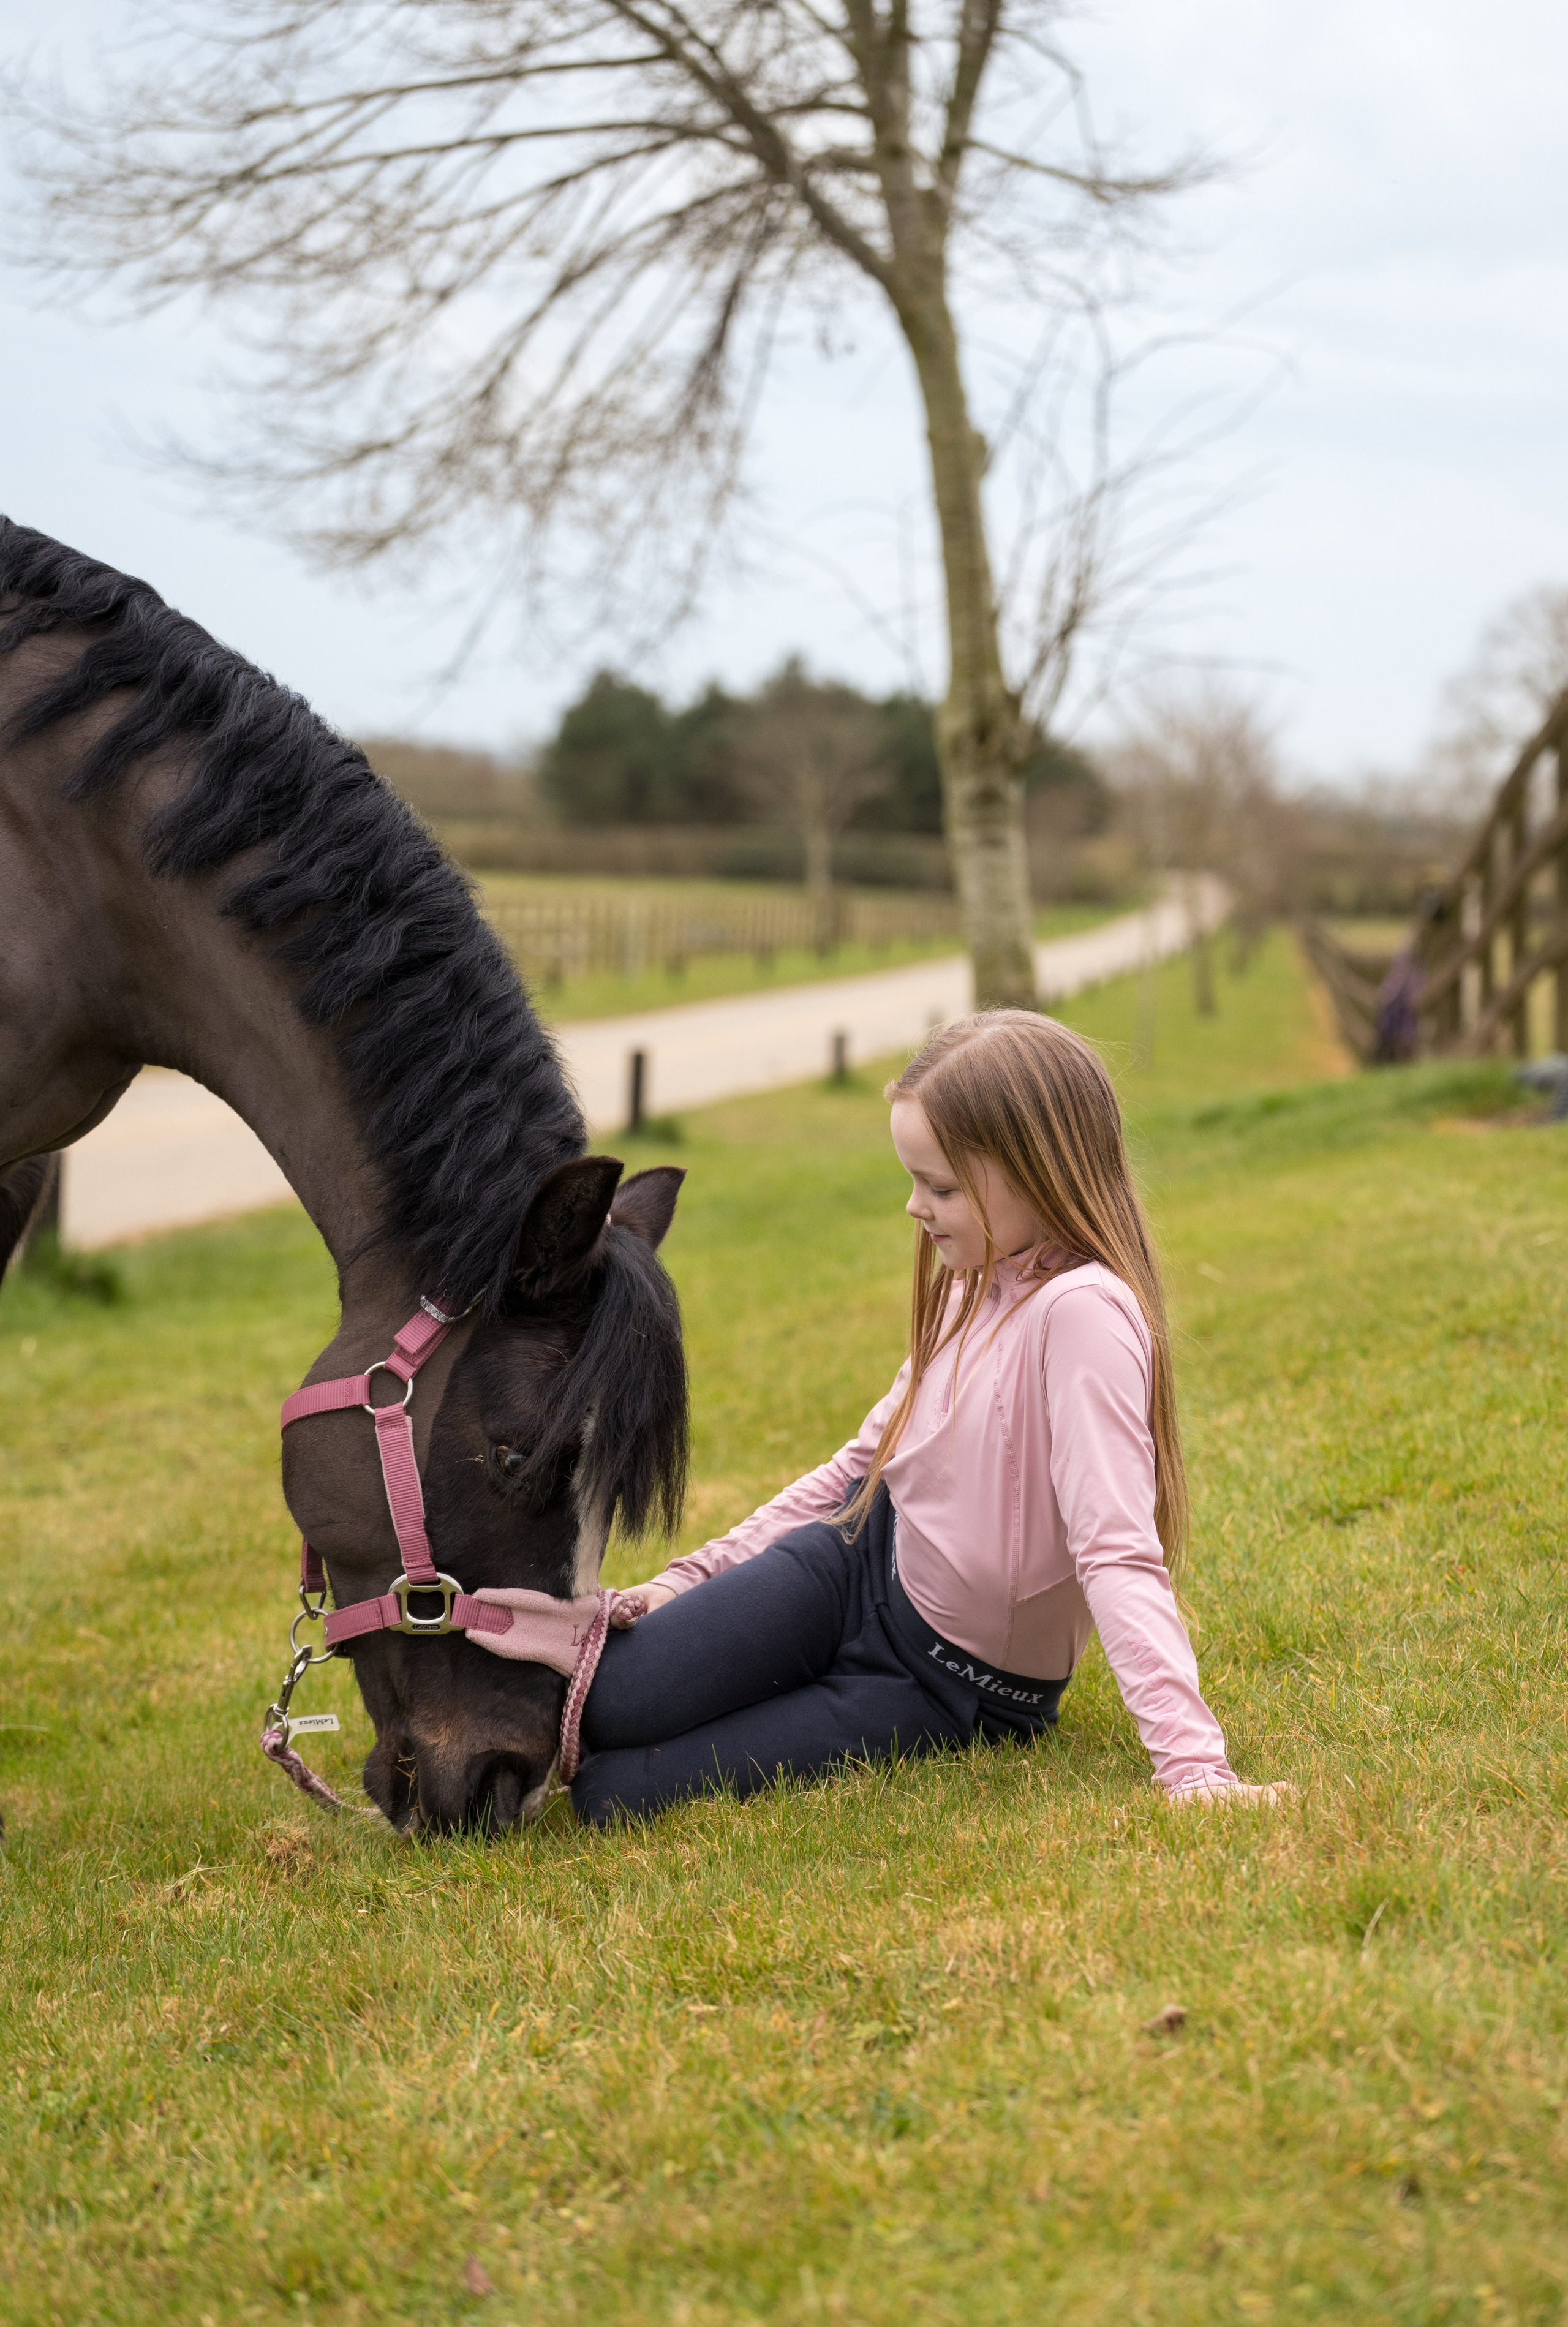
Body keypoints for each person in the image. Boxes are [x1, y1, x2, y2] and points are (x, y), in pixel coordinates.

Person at [570, 1009, 1287, 1825]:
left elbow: (1116, 1551)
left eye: (940, 1186)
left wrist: (1194, 1770)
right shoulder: (972, 1274)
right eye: (914, 1180)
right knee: (608, 1701)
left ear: (1039, 1172)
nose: (916, 1207)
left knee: (612, 1795)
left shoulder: (1083, 1314)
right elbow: (859, 1468)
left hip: (941, 1684)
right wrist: (689, 1579)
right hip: (852, 1561)